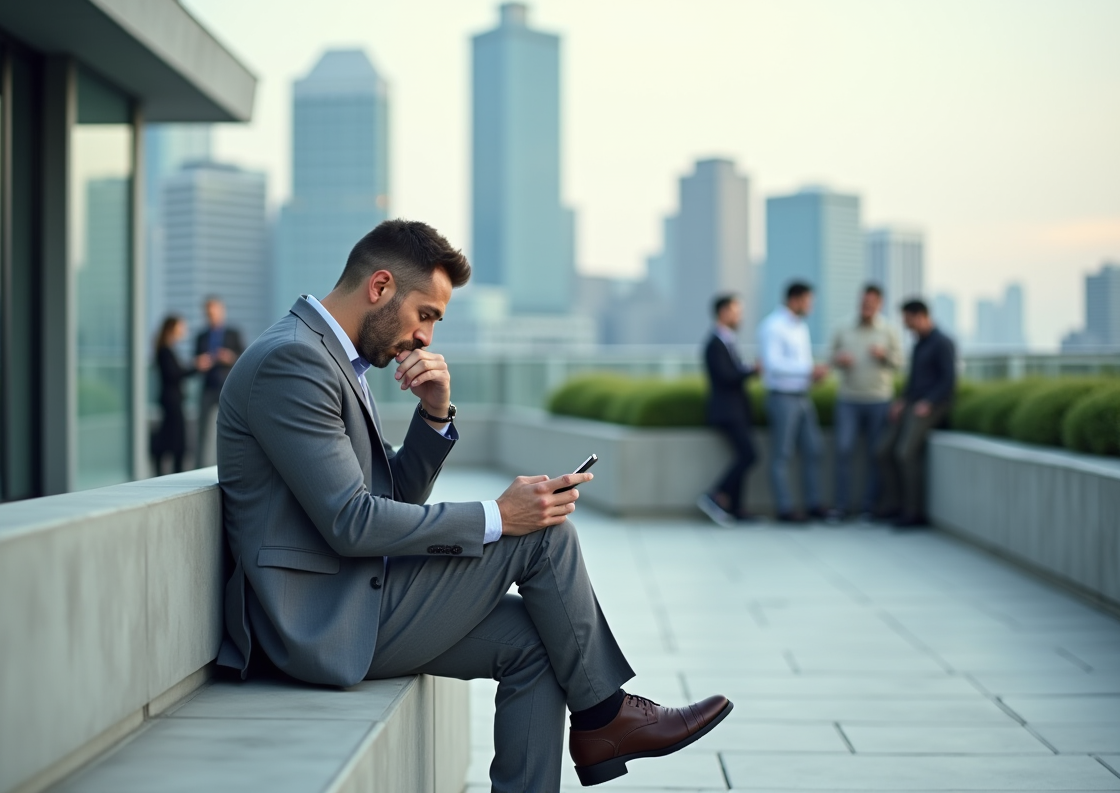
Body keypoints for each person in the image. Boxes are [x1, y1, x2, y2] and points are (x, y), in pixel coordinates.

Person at [214, 220, 731, 792]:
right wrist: (498, 516)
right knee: (541, 532)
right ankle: (606, 717)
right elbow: (352, 522)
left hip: (352, 593)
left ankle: (600, 719)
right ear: (380, 287)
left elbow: (390, 502)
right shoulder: (295, 362)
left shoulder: (332, 360)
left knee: (539, 645)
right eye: (426, 314)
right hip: (312, 620)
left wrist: (435, 415)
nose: (427, 338)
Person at [876, 298, 956, 528]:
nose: (905, 324)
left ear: (920, 316)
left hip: (933, 406)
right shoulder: (919, 343)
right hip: (912, 404)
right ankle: (894, 505)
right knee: (883, 451)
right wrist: (902, 401)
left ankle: (914, 512)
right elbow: (913, 381)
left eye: (907, 319)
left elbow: (949, 381)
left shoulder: (943, 342)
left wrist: (929, 402)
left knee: (905, 453)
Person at [828, 285, 903, 521]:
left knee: (875, 455)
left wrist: (885, 356)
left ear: (879, 305)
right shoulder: (843, 327)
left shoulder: (888, 330)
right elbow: (830, 359)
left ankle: (869, 507)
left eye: (871, 304)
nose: (866, 308)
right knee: (843, 450)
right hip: (848, 399)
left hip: (879, 400)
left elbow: (900, 362)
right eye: (863, 303)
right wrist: (839, 360)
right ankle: (841, 506)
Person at [756, 281, 829, 523]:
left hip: (802, 396)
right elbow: (773, 364)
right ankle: (785, 509)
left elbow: (798, 366)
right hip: (782, 398)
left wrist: (811, 377)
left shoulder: (800, 327)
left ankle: (813, 503)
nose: (811, 306)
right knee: (782, 455)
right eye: (809, 301)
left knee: (814, 449)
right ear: (796, 299)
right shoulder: (773, 326)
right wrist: (808, 370)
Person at [698, 293, 758, 526]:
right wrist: (751, 370)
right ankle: (714, 495)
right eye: (736, 310)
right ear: (723, 312)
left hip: (736, 411)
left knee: (743, 455)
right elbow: (726, 376)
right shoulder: (714, 343)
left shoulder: (727, 339)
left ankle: (736, 508)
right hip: (727, 412)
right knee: (749, 455)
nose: (739, 315)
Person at [151, 315, 210, 476]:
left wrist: (195, 366)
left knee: (174, 440)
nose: (183, 330)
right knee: (177, 442)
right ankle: (173, 473)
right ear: (172, 329)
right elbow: (174, 374)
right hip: (172, 401)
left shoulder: (168, 349)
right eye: (181, 327)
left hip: (173, 400)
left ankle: (172, 472)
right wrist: (195, 366)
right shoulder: (165, 350)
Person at [194, 297, 243, 467]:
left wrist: (229, 357)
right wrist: (200, 363)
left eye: (214, 312)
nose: (211, 316)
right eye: (208, 313)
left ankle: (229, 465)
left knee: (229, 429)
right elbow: (195, 361)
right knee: (202, 431)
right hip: (208, 387)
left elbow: (244, 358)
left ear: (222, 311)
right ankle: (199, 467)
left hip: (227, 387)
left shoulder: (233, 333)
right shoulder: (201, 336)